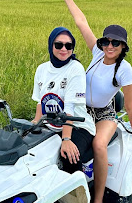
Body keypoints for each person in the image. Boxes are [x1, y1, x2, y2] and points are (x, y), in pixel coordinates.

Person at [53, 0, 132, 203]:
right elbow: (81, 21)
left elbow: (129, 107)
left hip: (105, 113)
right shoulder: (97, 53)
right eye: (106, 41)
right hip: (81, 109)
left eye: (115, 43)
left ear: (123, 47)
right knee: (57, 140)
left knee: (98, 144)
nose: (109, 46)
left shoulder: (125, 70)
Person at [32, 26, 96, 175]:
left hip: (78, 126)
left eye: (69, 45)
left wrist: (66, 139)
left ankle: (77, 194)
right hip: (51, 126)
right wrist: (34, 125)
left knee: (68, 156)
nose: (64, 49)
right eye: (59, 45)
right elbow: (40, 102)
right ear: (51, 45)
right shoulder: (42, 69)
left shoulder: (75, 68)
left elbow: (70, 106)